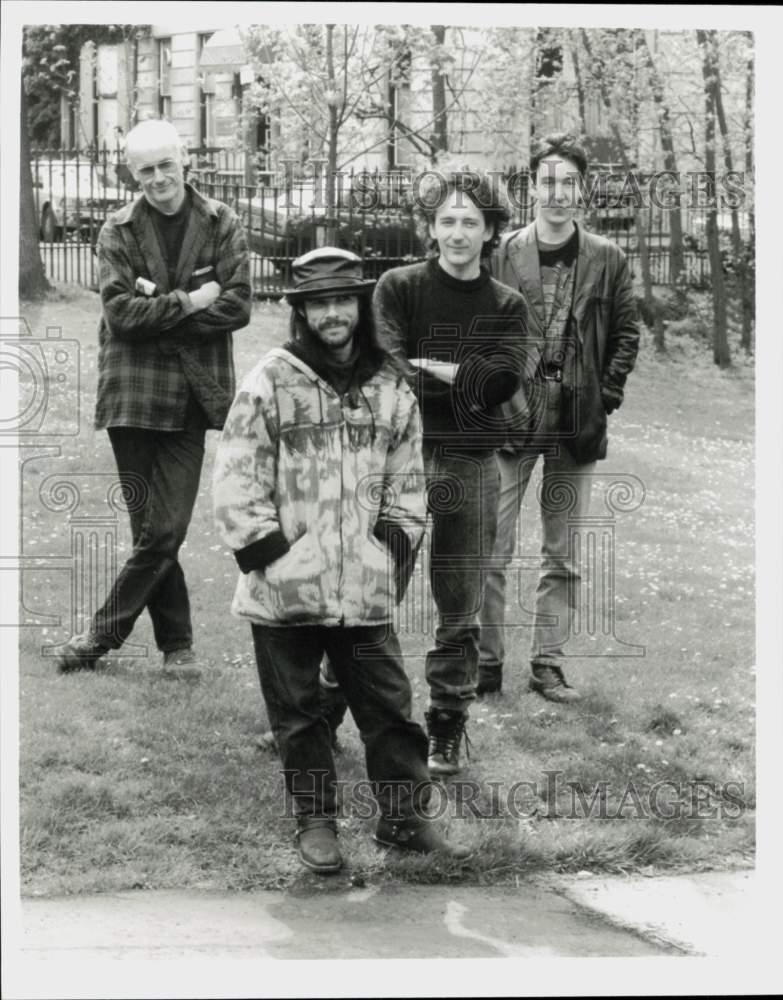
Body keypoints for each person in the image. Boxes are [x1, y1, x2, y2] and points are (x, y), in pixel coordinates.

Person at [213, 247, 471, 873]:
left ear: (359, 305)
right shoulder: (271, 380)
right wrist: (269, 553)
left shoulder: (390, 386)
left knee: (388, 710)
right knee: (299, 717)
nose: (333, 313)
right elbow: (237, 471)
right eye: (318, 303)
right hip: (285, 591)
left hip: (365, 586)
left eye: (342, 300)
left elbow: (408, 479)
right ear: (301, 311)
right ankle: (316, 823)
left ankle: (404, 820)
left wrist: (393, 543)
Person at [55, 118, 251, 678]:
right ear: (132, 172)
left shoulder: (222, 222)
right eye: (146, 170)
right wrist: (190, 302)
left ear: (184, 159)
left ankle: (98, 634)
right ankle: (178, 648)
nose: (158, 178)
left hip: (192, 395)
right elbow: (119, 315)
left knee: (166, 529)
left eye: (166, 164)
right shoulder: (117, 230)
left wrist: (159, 311)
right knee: (152, 533)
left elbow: (238, 305)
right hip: (132, 395)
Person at [373, 173, 528, 776]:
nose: (457, 233)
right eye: (446, 220)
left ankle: (446, 724)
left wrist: (435, 367)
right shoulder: (399, 287)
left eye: (470, 222)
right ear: (430, 227)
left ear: (490, 231)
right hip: (402, 460)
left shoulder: (506, 305)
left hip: (472, 460)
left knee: (460, 607)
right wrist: (462, 374)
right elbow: (387, 367)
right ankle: (331, 709)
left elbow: (501, 384)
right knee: (373, 592)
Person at [477, 132, 640, 702]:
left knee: (562, 552)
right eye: (547, 180)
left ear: (582, 189)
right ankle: (486, 662)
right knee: (490, 547)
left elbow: (626, 334)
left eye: (568, 181)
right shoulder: (501, 253)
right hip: (511, 416)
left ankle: (547, 662)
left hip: (576, 420)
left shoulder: (608, 258)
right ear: (532, 187)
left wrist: (606, 396)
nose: (557, 192)